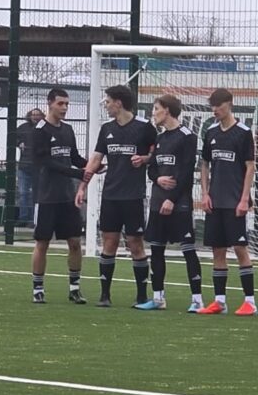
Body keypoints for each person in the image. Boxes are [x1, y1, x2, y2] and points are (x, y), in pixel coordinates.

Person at [77, 84, 157, 307]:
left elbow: (157, 153)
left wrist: (145, 159)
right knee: (109, 243)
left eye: (108, 101)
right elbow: (95, 159)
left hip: (134, 196)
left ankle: (141, 296)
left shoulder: (144, 127)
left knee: (135, 244)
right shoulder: (106, 129)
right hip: (110, 195)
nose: (107, 105)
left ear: (119, 103)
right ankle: (105, 295)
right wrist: (83, 187)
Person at [136, 94, 203, 312]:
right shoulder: (160, 138)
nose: (153, 113)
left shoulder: (187, 137)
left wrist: (172, 200)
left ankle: (197, 300)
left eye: (156, 108)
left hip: (179, 203)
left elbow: (185, 172)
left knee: (188, 250)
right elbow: (152, 167)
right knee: (156, 249)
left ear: (167, 110)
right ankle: (158, 298)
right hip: (157, 202)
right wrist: (157, 179)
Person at [30, 88, 93, 305]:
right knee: (42, 243)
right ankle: (38, 288)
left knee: (75, 242)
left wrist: (91, 165)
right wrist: (78, 173)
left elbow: (73, 157)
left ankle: (74, 288)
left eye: (67, 104)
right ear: (50, 104)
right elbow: (45, 162)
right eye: (60, 104)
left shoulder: (68, 130)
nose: (65, 108)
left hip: (67, 197)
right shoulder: (39, 131)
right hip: (47, 197)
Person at [196, 88, 255, 315]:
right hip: (215, 201)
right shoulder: (210, 132)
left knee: (240, 249)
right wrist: (205, 193)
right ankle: (219, 301)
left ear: (229, 104)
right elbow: (205, 164)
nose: (214, 110)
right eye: (212, 106)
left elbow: (250, 166)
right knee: (217, 250)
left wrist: (243, 199)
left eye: (218, 106)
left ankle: (249, 301)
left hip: (235, 202)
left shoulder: (242, 132)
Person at [16, 108, 44, 224]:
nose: (35, 117)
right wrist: (19, 143)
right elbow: (14, 138)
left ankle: (34, 219)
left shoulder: (44, 127)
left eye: (37, 115)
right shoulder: (22, 128)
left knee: (36, 193)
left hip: (38, 166)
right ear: (29, 116)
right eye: (33, 115)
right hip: (24, 166)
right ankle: (23, 218)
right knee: (23, 193)